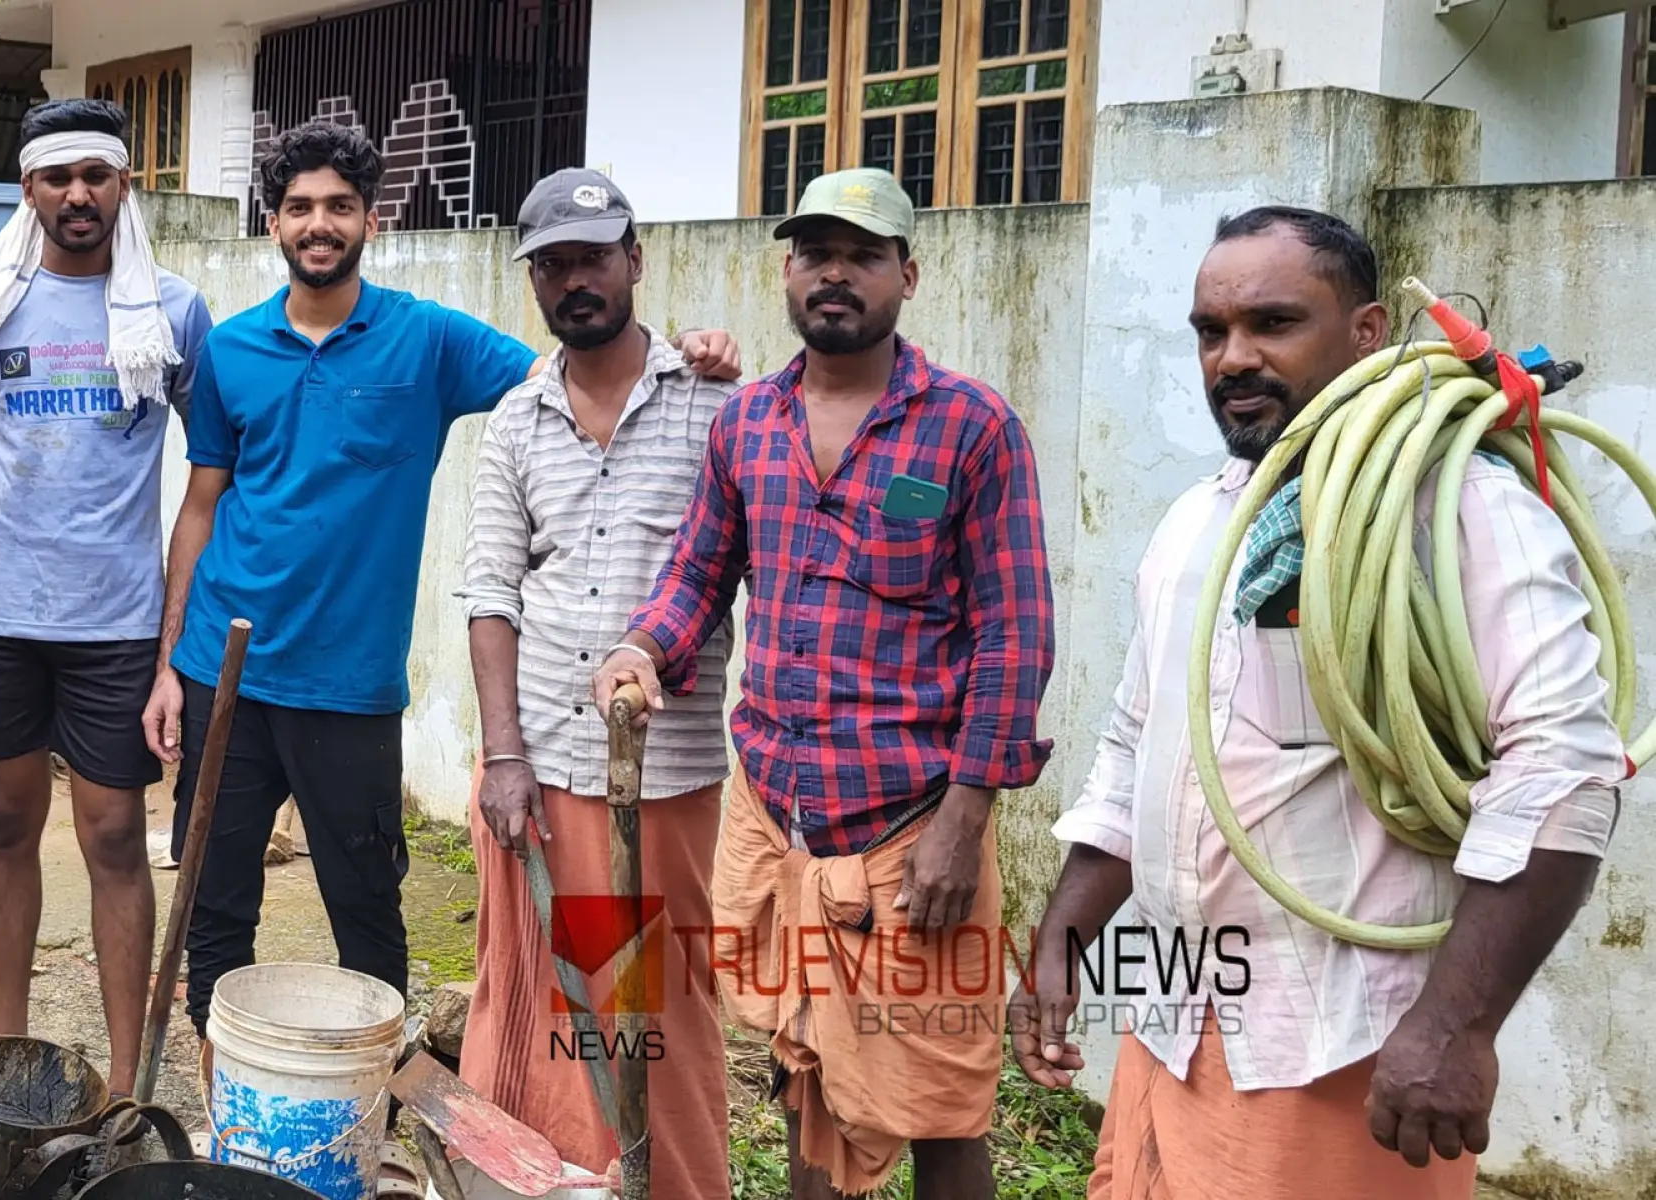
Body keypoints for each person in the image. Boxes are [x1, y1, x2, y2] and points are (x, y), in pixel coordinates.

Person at [140, 120, 736, 1189]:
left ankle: (352, 1132)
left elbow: (572, 370)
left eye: (337, 205)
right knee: (214, 897)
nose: (317, 224)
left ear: (372, 219)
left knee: (364, 906)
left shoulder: (430, 342)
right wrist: (161, 663)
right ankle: (228, 1105)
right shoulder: (229, 351)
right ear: (271, 221)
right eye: (297, 207)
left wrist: (693, 353)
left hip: (350, 688)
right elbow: (200, 502)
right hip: (219, 665)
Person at [1008, 206, 1626, 1199]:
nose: (1232, 357)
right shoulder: (1196, 521)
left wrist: (1455, 1027)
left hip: (1341, 1049)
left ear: (1366, 331)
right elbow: (1135, 746)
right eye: (1210, 332)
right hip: (1172, 1024)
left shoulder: (1458, 506)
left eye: (1271, 323)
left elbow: (1562, 772)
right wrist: (1059, 944)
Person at [592, 167, 1056, 1200]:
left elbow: (1013, 640)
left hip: (908, 830)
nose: (832, 275)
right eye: (811, 253)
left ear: (907, 274)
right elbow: (697, 579)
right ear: (787, 273)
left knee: (936, 1105)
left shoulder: (970, 428)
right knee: (805, 1077)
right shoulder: (746, 424)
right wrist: (640, 649)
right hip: (778, 821)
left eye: (859, 254)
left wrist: (964, 819)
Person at [0, 98, 213, 1099]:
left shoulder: (173, 310)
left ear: (124, 186)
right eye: (57, 176)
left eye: (96, 175)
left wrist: (174, 641)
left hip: (115, 624)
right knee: (3, 824)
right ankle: (9, 1058)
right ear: (27, 189)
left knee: (115, 835)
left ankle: (124, 1085)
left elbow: (211, 472)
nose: (78, 193)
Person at [455, 168, 737, 1197]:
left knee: (650, 1009)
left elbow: (733, 564)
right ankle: (544, 1181)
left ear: (634, 261)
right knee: (533, 1001)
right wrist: (502, 756)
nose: (574, 281)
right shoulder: (516, 420)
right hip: (538, 764)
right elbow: (490, 595)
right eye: (553, 265)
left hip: (661, 774)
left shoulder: (716, 406)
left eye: (591, 258)